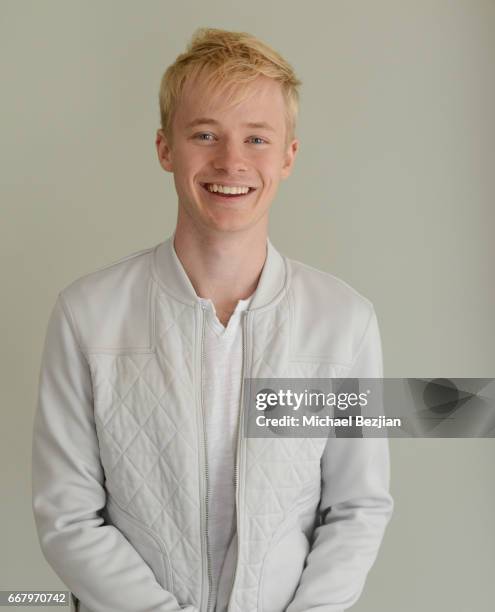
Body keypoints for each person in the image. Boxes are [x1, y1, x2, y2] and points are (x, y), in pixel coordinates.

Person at [31, 27, 393, 612]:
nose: (232, 161)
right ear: (165, 149)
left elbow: (357, 507)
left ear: (288, 157)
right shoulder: (86, 317)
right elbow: (68, 516)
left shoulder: (345, 322)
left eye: (257, 138)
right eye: (205, 134)